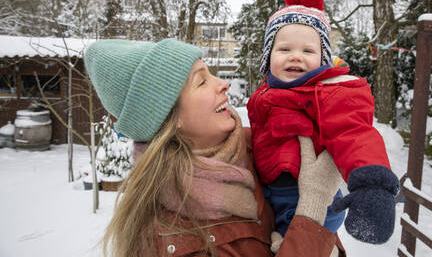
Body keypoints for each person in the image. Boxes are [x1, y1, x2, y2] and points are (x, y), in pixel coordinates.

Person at [84, 38, 345, 257]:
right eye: (201, 81)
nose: (223, 83)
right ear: (171, 119)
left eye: (210, 73)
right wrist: (312, 211)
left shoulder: (263, 148)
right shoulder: (163, 238)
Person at [248, 0, 400, 245]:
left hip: (311, 197)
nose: (296, 57)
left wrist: (372, 183)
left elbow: (355, 134)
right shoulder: (264, 94)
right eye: (284, 49)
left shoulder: (328, 93)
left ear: (323, 58)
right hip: (275, 193)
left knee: (298, 243)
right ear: (268, 56)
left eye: (308, 51)